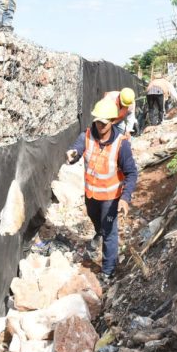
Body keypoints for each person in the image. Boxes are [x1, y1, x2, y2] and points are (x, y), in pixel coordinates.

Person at [66, 100, 138, 281]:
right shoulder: (87, 136)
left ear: (113, 121)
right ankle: (100, 233)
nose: (100, 126)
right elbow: (76, 149)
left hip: (110, 198)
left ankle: (108, 270)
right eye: (98, 121)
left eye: (104, 123)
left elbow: (131, 173)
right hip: (91, 196)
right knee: (98, 224)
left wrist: (125, 198)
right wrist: (72, 155)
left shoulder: (121, 144)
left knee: (109, 231)